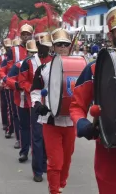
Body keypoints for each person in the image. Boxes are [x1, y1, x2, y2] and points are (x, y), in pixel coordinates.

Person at [69, 4, 116, 194]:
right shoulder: (95, 69)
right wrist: (83, 124)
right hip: (109, 148)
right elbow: (76, 106)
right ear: (110, 35)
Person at [31, 28, 75, 194]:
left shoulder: (79, 67)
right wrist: (37, 105)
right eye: (59, 45)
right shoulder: (43, 69)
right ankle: (54, 190)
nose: (62, 47)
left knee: (67, 160)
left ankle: (61, 185)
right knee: (55, 162)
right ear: (53, 47)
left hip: (71, 121)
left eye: (65, 44)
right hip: (50, 120)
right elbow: (35, 91)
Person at [19, 30, 52, 180]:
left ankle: (45, 163)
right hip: (35, 102)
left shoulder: (55, 60)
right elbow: (22, 81)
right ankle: (37, 170)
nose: (44, 48)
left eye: (47, 46)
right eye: (41, 45)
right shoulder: (28, 62)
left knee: (48, 136)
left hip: (52, 104)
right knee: (37, 136)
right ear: (37, 45)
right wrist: (32, 88)